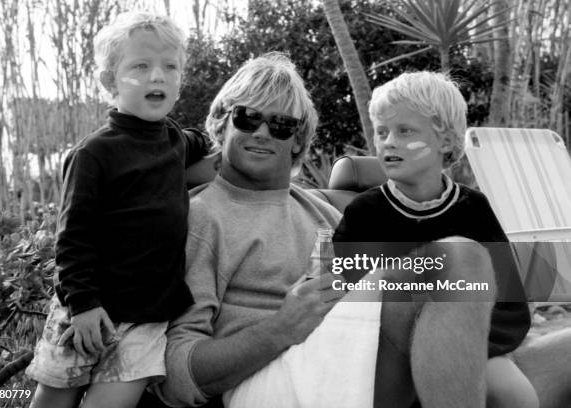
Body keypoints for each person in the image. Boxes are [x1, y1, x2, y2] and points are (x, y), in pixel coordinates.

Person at [152, 53, 501, 408]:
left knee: (558, 355)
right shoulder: (202, 217)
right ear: (221, 123)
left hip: (350, 354)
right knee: (458, 258)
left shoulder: (324, 212)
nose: (261, 132)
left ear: (298, 141)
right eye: (247, 117)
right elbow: (176, 375)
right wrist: (282, 327)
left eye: (281, 125)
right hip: (272, 380)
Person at [26, 11, 212, 408]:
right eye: (140, 66)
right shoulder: (95, 153)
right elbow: (73, 237)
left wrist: (228, 136)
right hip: (90, 310)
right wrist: (83, 304)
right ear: (110, 82)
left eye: (169, 67)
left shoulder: (177, 139)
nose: (157, 76)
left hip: (147, 319)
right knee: (54, 400)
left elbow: (202, 142)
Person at [333, 71, 537, 408]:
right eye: (381, 132)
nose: (388, 142)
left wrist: (467, 347)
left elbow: (510, 302)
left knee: (518, 396)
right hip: (387, 355)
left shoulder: (474, 209)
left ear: (444, 142)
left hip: (473, 342)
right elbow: (345, 298)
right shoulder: (363, 213)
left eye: (405, 131)